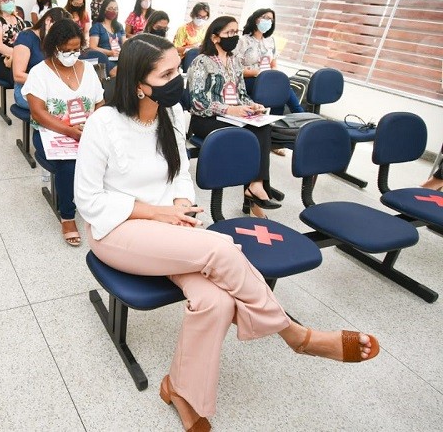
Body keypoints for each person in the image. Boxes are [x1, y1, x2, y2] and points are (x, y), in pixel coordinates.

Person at [73, 33, 380, 431]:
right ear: (138, 84)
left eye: (178, 68)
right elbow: (89, 201)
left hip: (168, 228)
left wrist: (180, 204)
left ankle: (180, 390)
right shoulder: (103, 123)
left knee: (215, 302)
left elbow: (179, 173)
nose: (179, 79)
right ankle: (298, 337)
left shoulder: (171, 116)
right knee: (220, 250)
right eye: (168, 74)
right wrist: (158, 213)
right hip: (117, 231)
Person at [22, 20, 105, 247]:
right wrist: (69, 131)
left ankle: (99, 206)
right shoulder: (39, 72)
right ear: (53, 46)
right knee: (69, 165)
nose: (71, 54)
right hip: (51, 133)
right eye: (65, 50)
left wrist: (93, 126)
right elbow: (38, 113)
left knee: (108, 156)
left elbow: (100, 103)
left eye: (76, 49)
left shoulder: (87, 69)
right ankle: (68, 216)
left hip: (85, 131)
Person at [187, 16, 277, 219]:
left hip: (234, 116)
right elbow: (197, 101)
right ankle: (254, 194)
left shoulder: (236, 61)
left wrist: (251, 105)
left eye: (236, 32)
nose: (234, 37)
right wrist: (228, 110)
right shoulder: (201, 62)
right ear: (215, 37)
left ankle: (256, 185)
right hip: (206, 118)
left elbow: (242, 94)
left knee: (262, 127)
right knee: (248, 134)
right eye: (229, 33)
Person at [237, 8, 304, 119]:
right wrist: (258, 73)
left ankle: (295, 117)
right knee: (277, 87)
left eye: (270, 19)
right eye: (265, 17)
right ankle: (301, 115)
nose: (268, 21)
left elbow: (273, 64)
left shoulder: (271, 41)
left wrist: (275, 73)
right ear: (255, 19)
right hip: (248, 79)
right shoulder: (243, 41)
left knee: (282, 84)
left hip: (267, 79)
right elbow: (235, 69)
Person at [11, 7, 71, 109]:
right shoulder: (26, 37)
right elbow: (18, 75)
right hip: (27, 88)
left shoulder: (53, 40)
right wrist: (49, 82)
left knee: (78, 102)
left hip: (52, 87)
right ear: (48, 21)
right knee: (60, 106)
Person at [88, 0, 125, 76]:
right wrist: (109, 52)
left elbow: (125, 44)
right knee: (118, 72)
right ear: (104, 10)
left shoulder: (119, 26)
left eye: (116, 9)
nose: (113, 11)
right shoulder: (97, 27)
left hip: (120, 58)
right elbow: (92, 47)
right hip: (105, 59)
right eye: (110, 8)